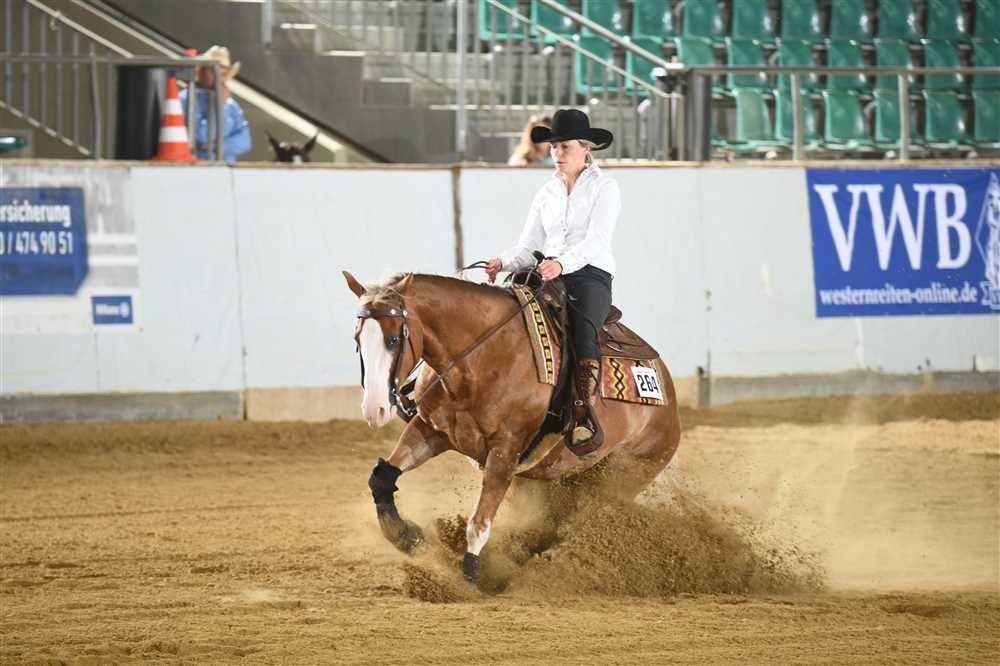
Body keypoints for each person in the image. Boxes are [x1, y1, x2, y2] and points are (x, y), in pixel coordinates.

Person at [485, 109, 619, 457]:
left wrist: (562, 263)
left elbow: (597, 241)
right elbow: (528, 246)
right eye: (554, 147)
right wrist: (503, 262)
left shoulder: (605, 188)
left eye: (565, 146)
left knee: (583, 331)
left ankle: (583, 411)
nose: (557, 153)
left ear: (586, 148)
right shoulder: (546, 192)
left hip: (590, 273)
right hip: (546, 271)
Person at [179, 45, 251, 163]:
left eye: (224, 74)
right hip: (196, 167)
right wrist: (219, 106)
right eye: (214, 71)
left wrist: (216, 146)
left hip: (226, 168)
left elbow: (245, 142)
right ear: (201, 71)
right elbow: (202, 136)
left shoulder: (232, 105)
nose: (219, 78)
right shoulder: (186, 99)